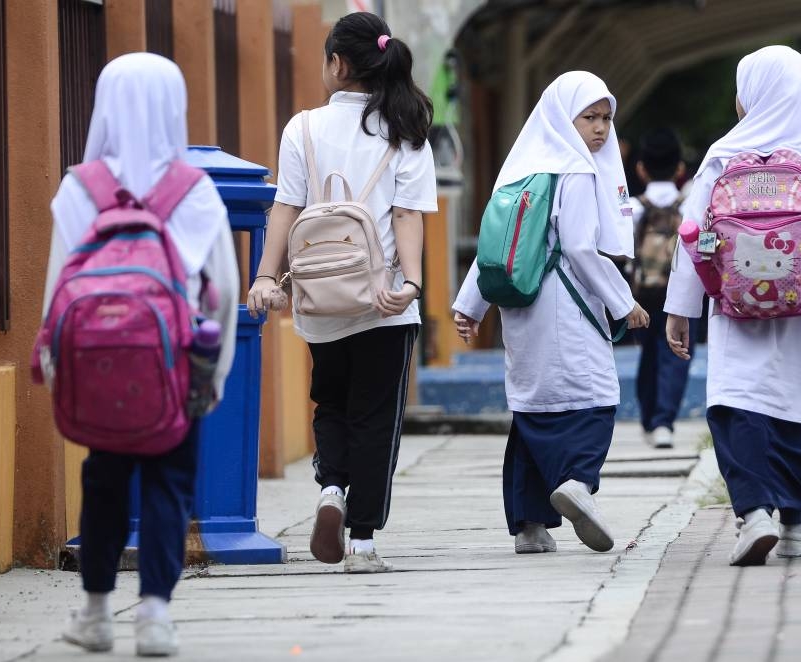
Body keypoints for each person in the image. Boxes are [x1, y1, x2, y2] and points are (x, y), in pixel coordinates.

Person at [43, 53, 239, 655]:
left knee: (103, 481)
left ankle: (97, 610)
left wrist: (56, 362)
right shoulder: (194, 188)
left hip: (98, 364)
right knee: (167, 484)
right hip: (174, 364)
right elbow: (223, 288)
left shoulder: (80, 186)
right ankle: (154, 613)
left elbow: (60, 283)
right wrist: (216, 368)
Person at [665, 46, 801, 566]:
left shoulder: (722, 156)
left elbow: (693, 237)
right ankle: (790, 522)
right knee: (793, 406)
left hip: (735, 309)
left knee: (735, 400)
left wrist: (681, 308)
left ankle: (754, 513)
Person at [246, 12, 437, 573]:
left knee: (330, 400)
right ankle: (361, 542)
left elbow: (285, 206)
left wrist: (263, 276)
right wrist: (412, 283)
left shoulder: (301, 127)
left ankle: (331, 489)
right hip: (382, 301)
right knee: (376, 416)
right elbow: (406, 215)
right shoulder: (406, 129)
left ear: (337, 63)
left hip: (319, 296)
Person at [452, 71, 650, 556]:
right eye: (589, 117)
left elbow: (491, 246)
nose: (601, 128)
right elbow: (582, 249)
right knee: (596, 397)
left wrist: (469, 304)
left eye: (606, 117)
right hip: (568, 303)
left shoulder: (521, 167)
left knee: (531, 409)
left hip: (522, 309)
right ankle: (578, 483)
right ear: (565, 116)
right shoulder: (577, 171)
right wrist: (626, 302)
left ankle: (529, 524)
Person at [628, 128, 697, 448]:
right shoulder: (691, 203)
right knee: (677, 352)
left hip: (643, 294)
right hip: (682, 291)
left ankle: (649, 418)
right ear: (680, 169)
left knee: (649, 353)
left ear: (641, 168)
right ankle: (664, 422)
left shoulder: (633, 206)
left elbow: (619, 249)